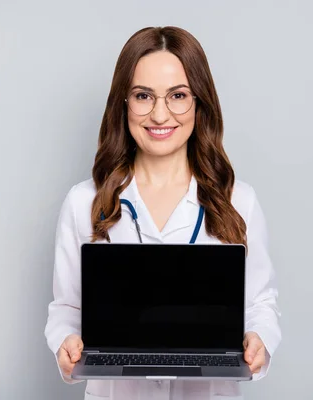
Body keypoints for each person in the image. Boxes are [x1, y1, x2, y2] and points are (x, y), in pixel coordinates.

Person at [44, 26, 281, 400]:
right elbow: (67, 306)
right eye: (143, 96)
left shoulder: (239, 201)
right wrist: (66, 341)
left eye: (178, 96)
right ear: (123, 103)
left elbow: (261, 304)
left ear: (199, 103)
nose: (159, 114)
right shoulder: (83, 202)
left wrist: (259, 340)